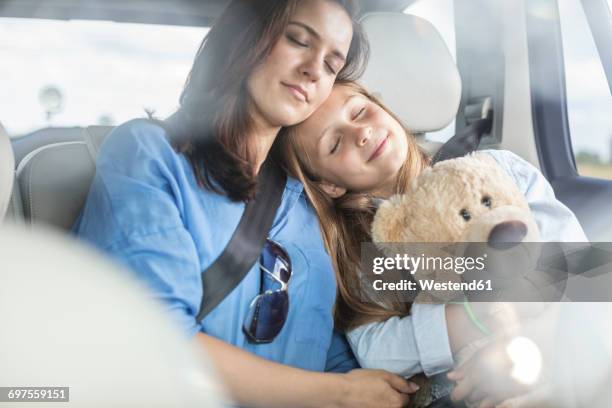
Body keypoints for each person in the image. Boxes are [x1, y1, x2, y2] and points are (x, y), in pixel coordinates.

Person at [73, 2, 420, 407]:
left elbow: (331, 351)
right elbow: (157, 343)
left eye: (331, 64)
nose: (313, 69)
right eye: (298, 40)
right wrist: (340, 394)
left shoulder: (310, 204)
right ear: (245, 36)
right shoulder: (149, 155)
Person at [277, 80, 588, 406]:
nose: (361, 134)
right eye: (335, 144)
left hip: (563, 351)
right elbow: (378, 351)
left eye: (360, 112)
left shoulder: (494, 170)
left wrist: (523, 344)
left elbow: (580, 267)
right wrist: (480, 318)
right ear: (329, 185)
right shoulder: (361, 246)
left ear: (382, 106)